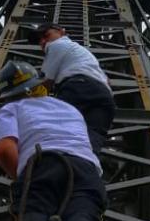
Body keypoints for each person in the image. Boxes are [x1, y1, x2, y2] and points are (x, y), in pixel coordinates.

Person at [0, 60, 105, 221]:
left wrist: (21, 175)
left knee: (34, 208)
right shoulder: (70, 109)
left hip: (42, 161)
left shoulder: (12, 108)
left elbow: (4, 148)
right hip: (86, 167)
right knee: (82, 214)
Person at [35, 24, 116, 155]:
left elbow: (46, 81)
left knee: (59, 132)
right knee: (92, 140)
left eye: (46, 35)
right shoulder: (84, 53)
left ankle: (55, 166)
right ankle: (86, 166)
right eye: (39, 40)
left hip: (78, 88)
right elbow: (108, 81)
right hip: (105, 98)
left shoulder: (56, 45)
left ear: (62, 32)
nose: (43, 42)